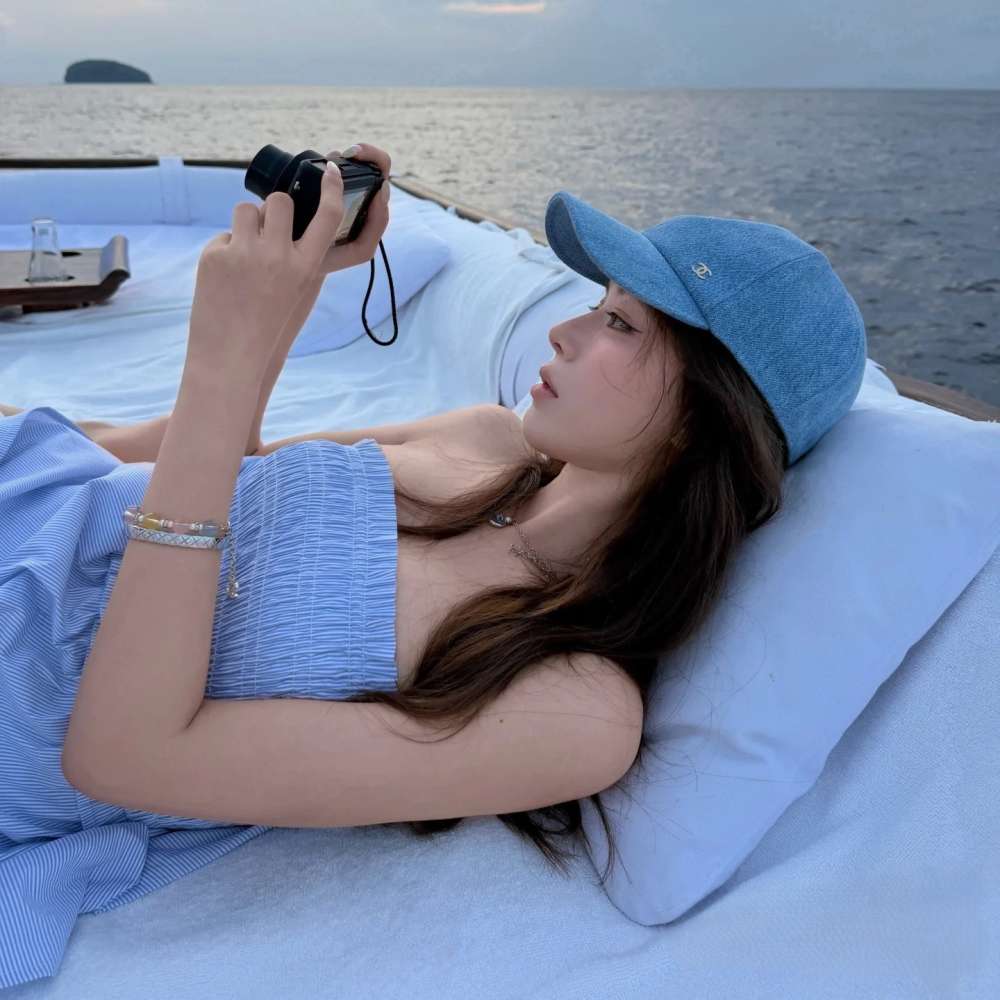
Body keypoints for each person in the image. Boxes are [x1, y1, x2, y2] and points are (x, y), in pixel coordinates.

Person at [0, 142, 867, 989]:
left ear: (705, 419)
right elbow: (207, 460)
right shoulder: (481, 438)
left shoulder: (574, 711)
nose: (562, 331)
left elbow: (124, 757)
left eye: (619, 322)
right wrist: (287, 299)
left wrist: (222, 360)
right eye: (596, 302)